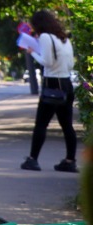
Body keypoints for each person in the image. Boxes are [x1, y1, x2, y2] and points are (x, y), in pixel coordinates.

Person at [18, 9, 77, 172]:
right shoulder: (64, 38)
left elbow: (47, 62)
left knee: (41, 124)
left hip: (52, 84)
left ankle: (33, 159)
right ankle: (70, 160)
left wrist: (32, 52)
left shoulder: (45, 37)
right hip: (66, 83)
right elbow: (71, 64)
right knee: (67, 125)